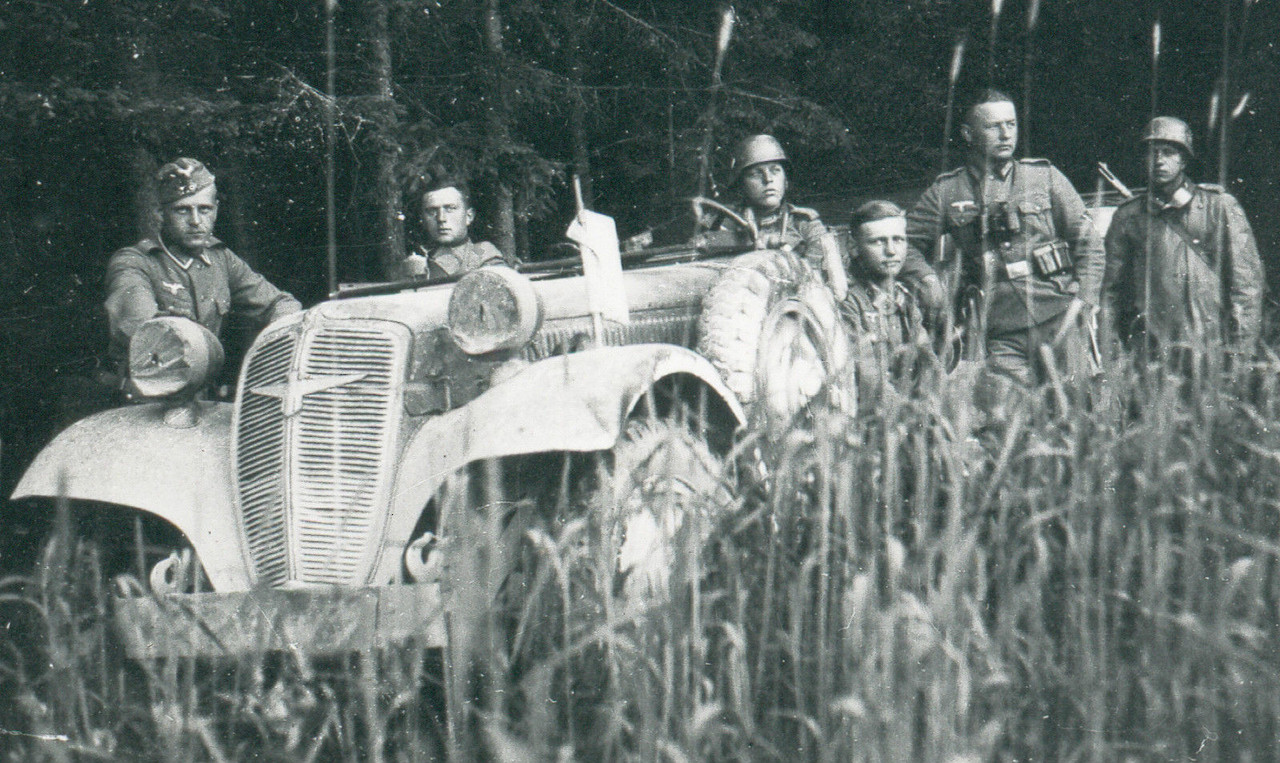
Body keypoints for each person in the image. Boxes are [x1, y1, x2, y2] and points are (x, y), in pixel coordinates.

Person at [906, 89, 1105, 387]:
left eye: (1010, 124)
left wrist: (1084, 300)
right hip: (1000, 330)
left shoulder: (1044, 177)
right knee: (1009, 415)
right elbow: (906, 244)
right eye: (992, 126)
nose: (1005, 134)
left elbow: (1088, 243)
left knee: (1077, 409)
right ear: (968, 134)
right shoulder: (947, 192)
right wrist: (927, 279)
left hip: (1059, 315)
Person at [105, 158, 301, 377]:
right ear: (160, 214)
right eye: (183, 211)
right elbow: (142, 327)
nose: (196, 221)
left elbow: (280, 303)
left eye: (205, 209)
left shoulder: (221, 258)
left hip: (197, 397)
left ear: (216, 211)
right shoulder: (134, 263)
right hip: (143, 396)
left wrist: (275, 345)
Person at [1103, 116, 1263, 361]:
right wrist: (1113, 348)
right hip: (1152, 351)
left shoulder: (1218, 206)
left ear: (1184, 159)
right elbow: (1112, 291)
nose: (1159, 161)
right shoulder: (1128, 216)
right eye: (1151, 153)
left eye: (1168, 153)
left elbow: (1246, 283)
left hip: (1212, 346)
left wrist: (1240, 349)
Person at [838, 200, 932, 405]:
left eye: (898, 239)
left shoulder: (903, 296)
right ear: (854, 247)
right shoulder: (848, 302)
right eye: (878, 242)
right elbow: (868, 379)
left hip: (905, 410)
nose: (891, 251)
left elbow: (928, 363)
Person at [400, 178, 517, 279]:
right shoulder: (415, 263)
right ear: (423, 219)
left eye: (450, 208)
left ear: (469, 216)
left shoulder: (483, 255)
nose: (441, 218)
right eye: (432, 211)